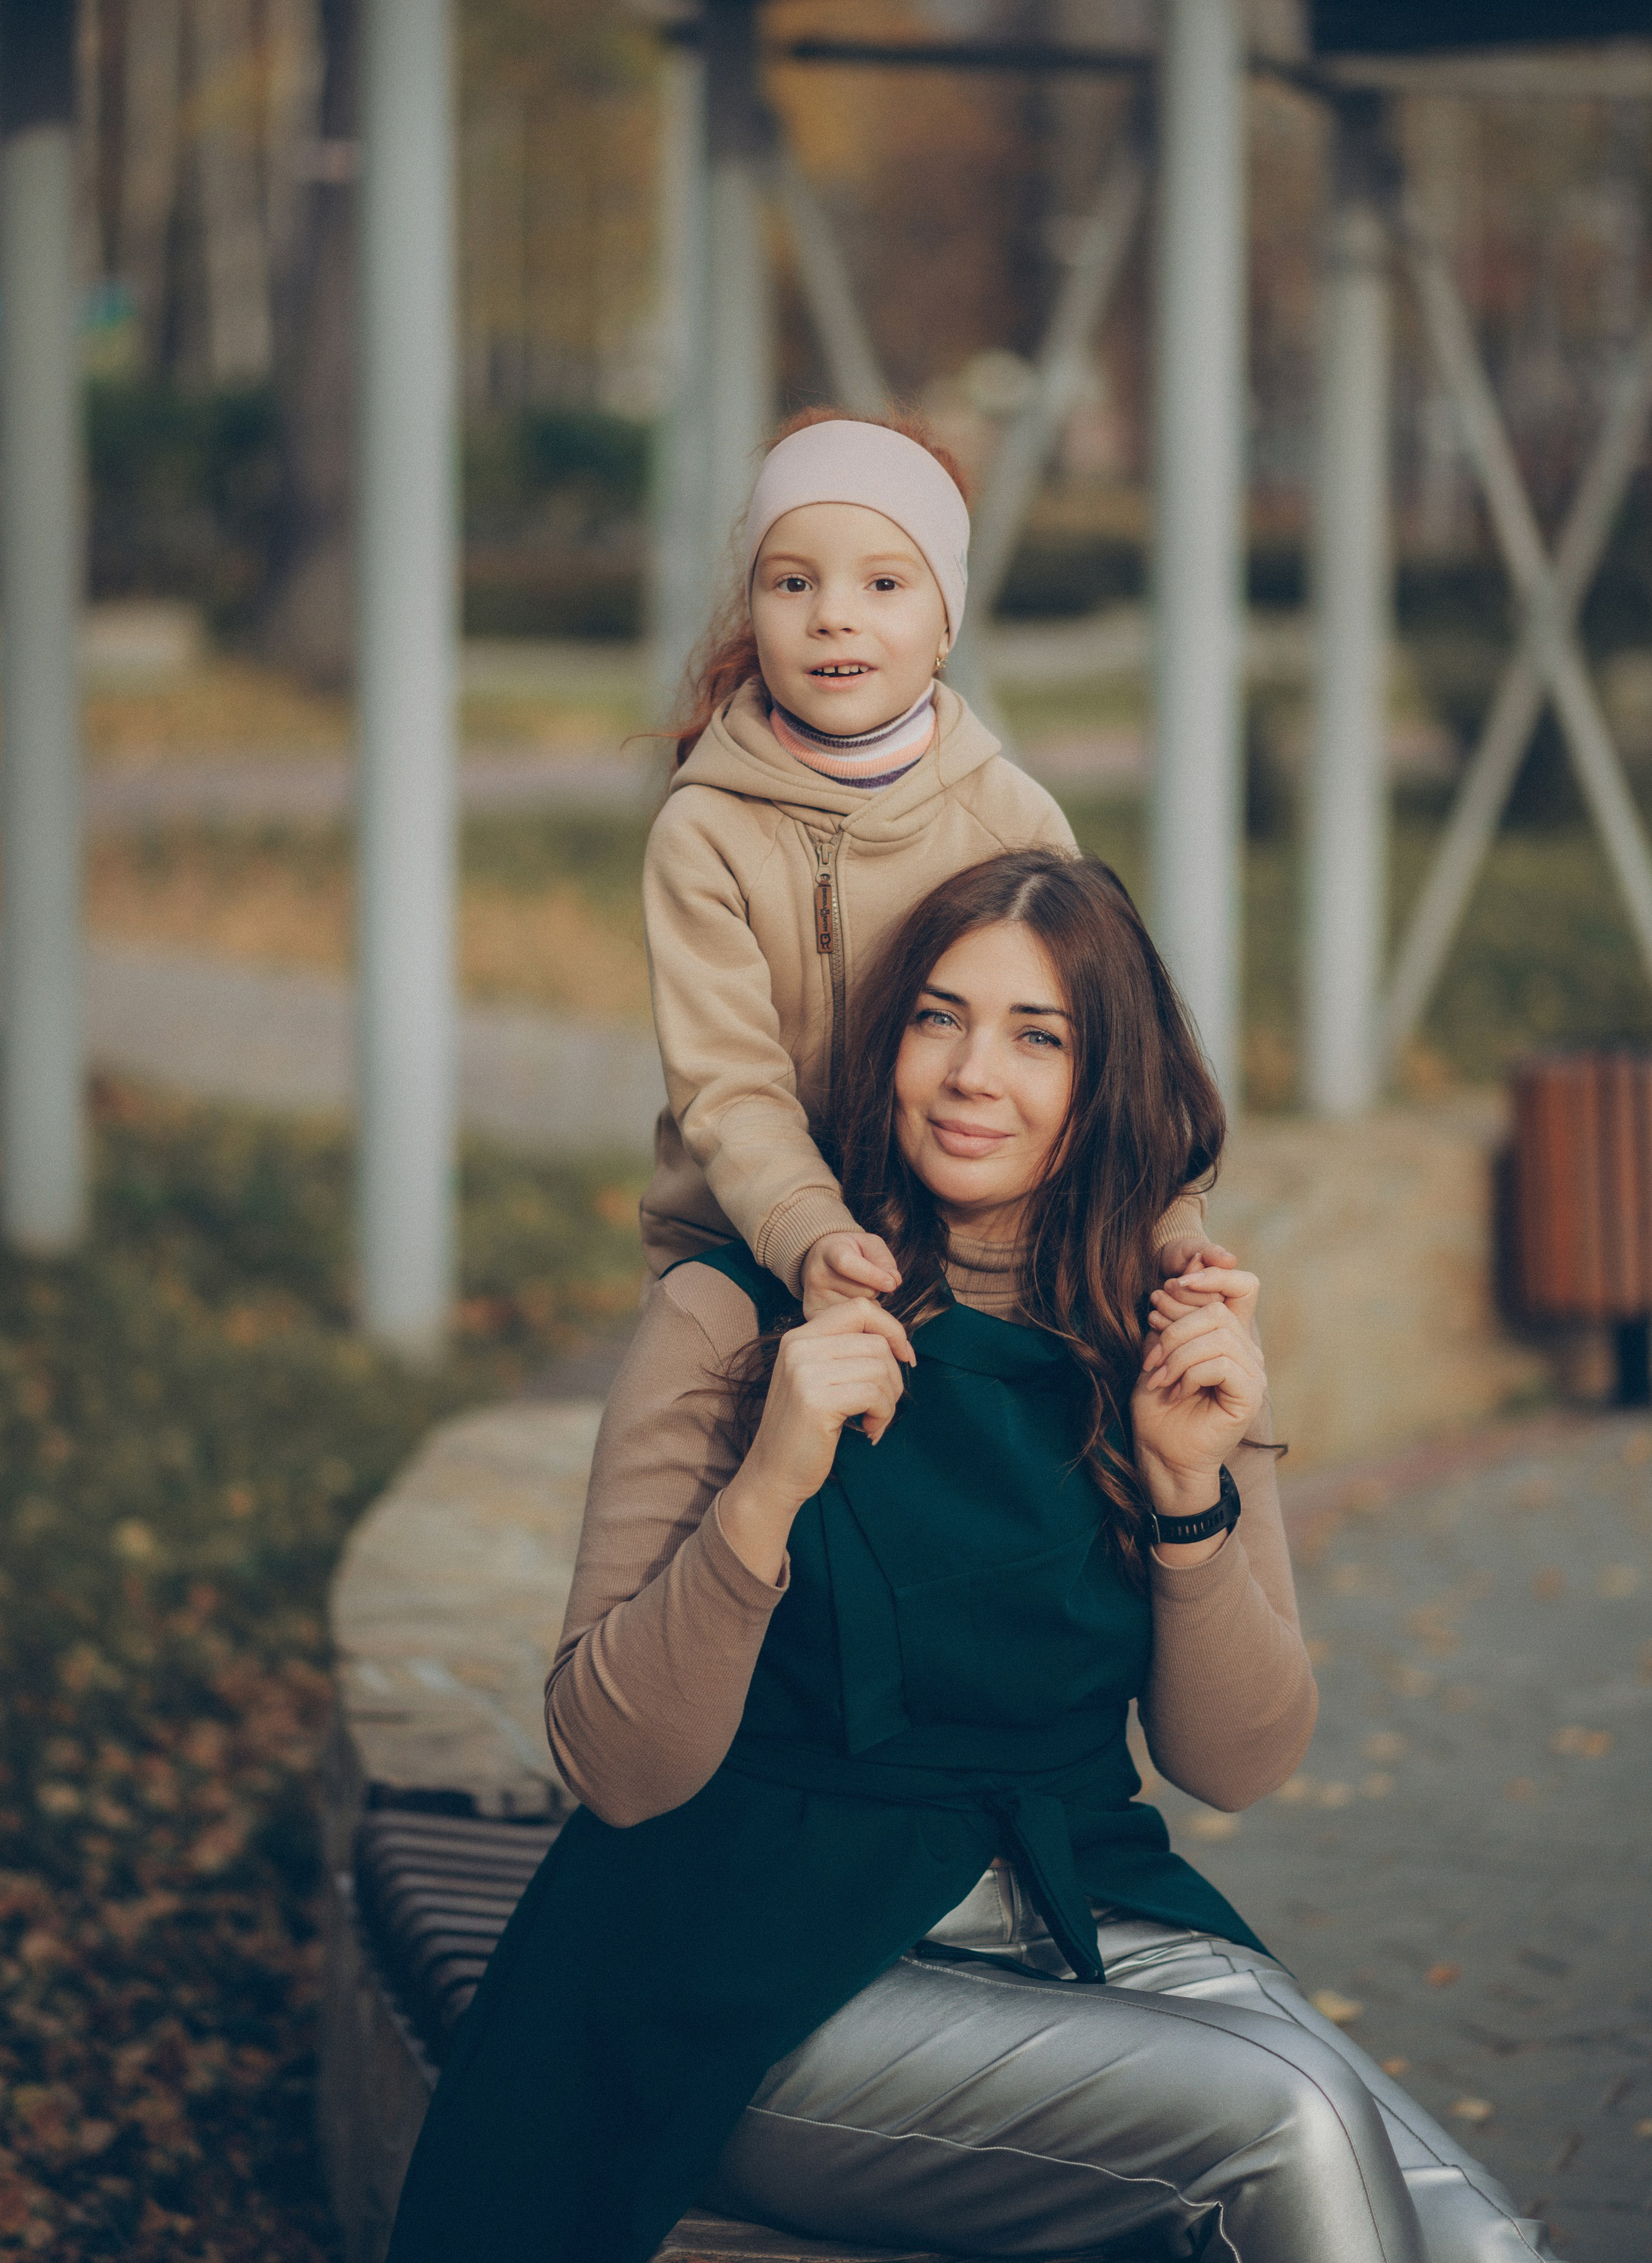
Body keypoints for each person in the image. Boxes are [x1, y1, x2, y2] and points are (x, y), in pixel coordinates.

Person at [387, 852, 1555, 2263]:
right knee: (1286, 2116)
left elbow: (1237, 1758)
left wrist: (1191, 1496)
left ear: (1103, 1081)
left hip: (1064, 1914)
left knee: (1476, 2236)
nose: (969, 1073)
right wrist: (768, 1481)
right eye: (937, 1018)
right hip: (748, 1975)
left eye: (1035, 1034)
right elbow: (615, 1765)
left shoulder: (1160, 1331)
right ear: (884, 1047)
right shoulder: (730, 1315)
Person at [638, 405, 1227, 1314]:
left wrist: (1171, 1230)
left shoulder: (1011, 817)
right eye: (793, 584)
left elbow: (1105, 1051)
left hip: (967, 1237)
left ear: (946, 623)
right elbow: (730, 1085)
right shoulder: (705, 832)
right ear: (753, 609)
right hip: (746, 1242)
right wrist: (810, 1233)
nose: (833, 616)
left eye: (884, 585)